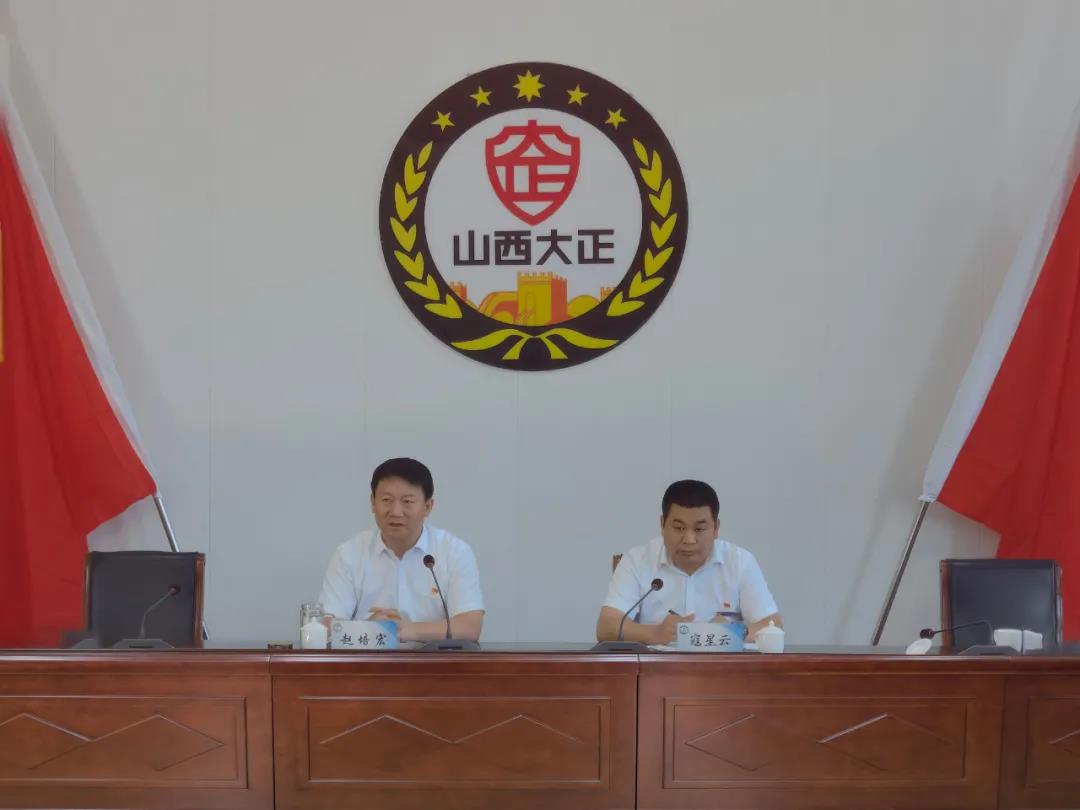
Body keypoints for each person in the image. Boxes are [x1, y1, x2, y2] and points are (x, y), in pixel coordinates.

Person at [596, 479, 781, 645]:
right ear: (662, 525)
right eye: (679, 528)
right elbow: (606, 627)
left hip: (722, 669)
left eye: (699, 529)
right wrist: (655, 633)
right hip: (656, 669)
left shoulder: (739, 562)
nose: (689, 539)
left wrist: (733, 632)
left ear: (716, 528)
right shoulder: (637, 560)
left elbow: (773, 626)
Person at [318, 458, 484, 642]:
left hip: (433, 660)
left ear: (427, 507)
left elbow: (469, 627)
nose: (396, 512)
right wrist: (369, 629)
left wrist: (406, 630)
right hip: (368, 659)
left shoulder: (454, 552)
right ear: (373, 502)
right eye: (386, 500)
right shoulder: (349, 554)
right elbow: (325, 626)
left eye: (407, 501)